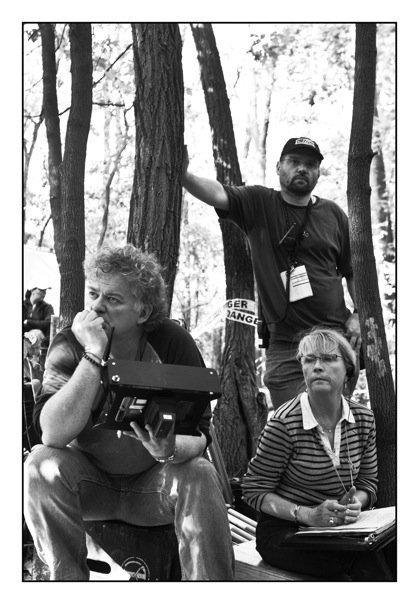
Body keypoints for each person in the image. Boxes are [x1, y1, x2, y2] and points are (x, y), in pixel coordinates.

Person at [23, 244, 234, 581]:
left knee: (200, 472)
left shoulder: (173, 343)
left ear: (143, 312)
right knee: (39, 464)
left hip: (153, 488)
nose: (96, 307)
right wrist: (93, 354)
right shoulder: (70, 343)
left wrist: (171, 450)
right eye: (93, 293)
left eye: (113, 300)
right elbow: (52, 434)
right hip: (89, 485)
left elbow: (201, 432)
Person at [182, 137, 360, 409]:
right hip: (286, 344)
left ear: (318, 172)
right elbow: (218, 193)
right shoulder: (259, 203)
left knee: (331, 424)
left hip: (333, 337)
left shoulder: (334, 214)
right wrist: (184, 175)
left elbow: (352, 271)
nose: (302, 169)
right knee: (293, 426)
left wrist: (359, 314)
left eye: (310, 164)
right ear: (278, 167)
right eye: (294, 162)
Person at [241, 327, 393, 581]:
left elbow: (368, 483)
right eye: (310, 360)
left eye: (329, 359)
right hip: (286, 529)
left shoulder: (364, 419)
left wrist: (358, 504)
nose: (317, 367)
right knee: (346, 569)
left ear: (348, 371)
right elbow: (254, 491)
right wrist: (308, 514)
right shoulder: (284, 422)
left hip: (343, 528)